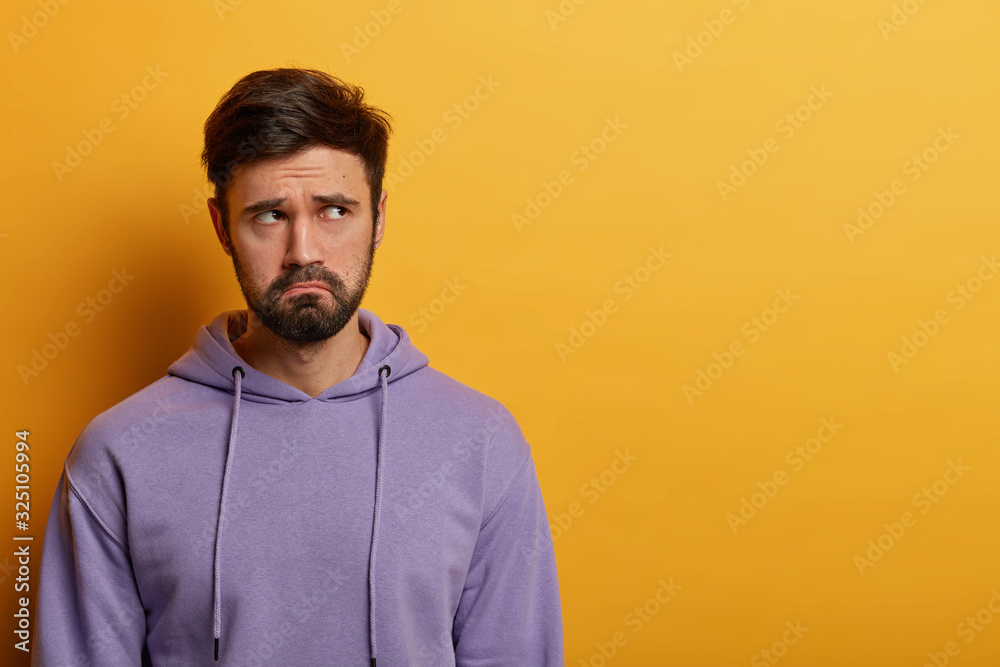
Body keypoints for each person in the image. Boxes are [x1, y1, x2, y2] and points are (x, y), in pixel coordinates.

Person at [32, 67, 564, 666]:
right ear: (221, 228)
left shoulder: (482, 442)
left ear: (379, 218)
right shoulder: (117, 454)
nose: (304, 250)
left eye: (335, 210)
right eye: (269, 215)